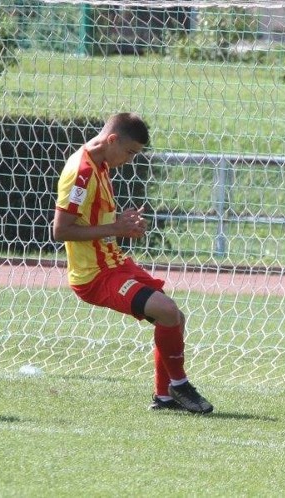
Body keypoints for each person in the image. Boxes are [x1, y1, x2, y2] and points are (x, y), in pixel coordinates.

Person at [52, 112, 213, 414]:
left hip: (113, 263)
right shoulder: (81, 173)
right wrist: (116, 228)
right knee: (165, 311)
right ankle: (179, 386)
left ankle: (164, 398)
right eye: (129, 152)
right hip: (94, 276)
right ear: (112, 140)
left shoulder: (100, 164)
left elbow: (92, 219)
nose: (129, 160)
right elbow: (61, 230)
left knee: (174, 316)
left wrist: (120, 222)